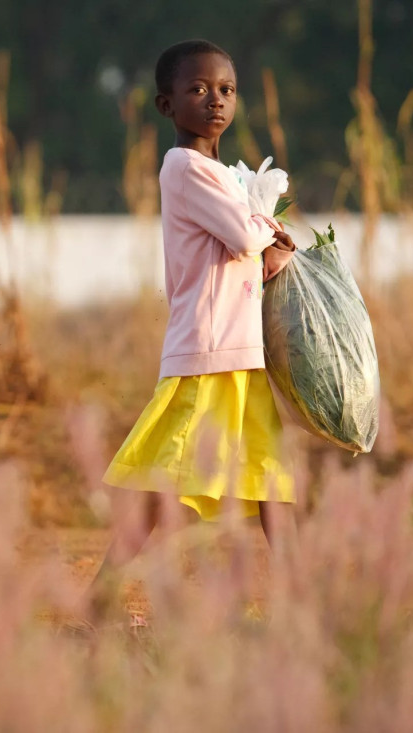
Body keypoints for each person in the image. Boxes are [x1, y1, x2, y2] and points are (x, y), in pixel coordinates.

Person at [87, 39, 298, 625]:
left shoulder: (225, 175)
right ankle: (101, 596)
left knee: (269, 478)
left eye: (226, 90)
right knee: (163, 486)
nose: (215, 101)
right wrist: (267, 232)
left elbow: (254, 242)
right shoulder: (184, 168)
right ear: (166, 105)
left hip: (242, 352)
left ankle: (309, 600)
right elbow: (244, 235)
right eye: (198, 89)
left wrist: (267, 241)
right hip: (206, 351)